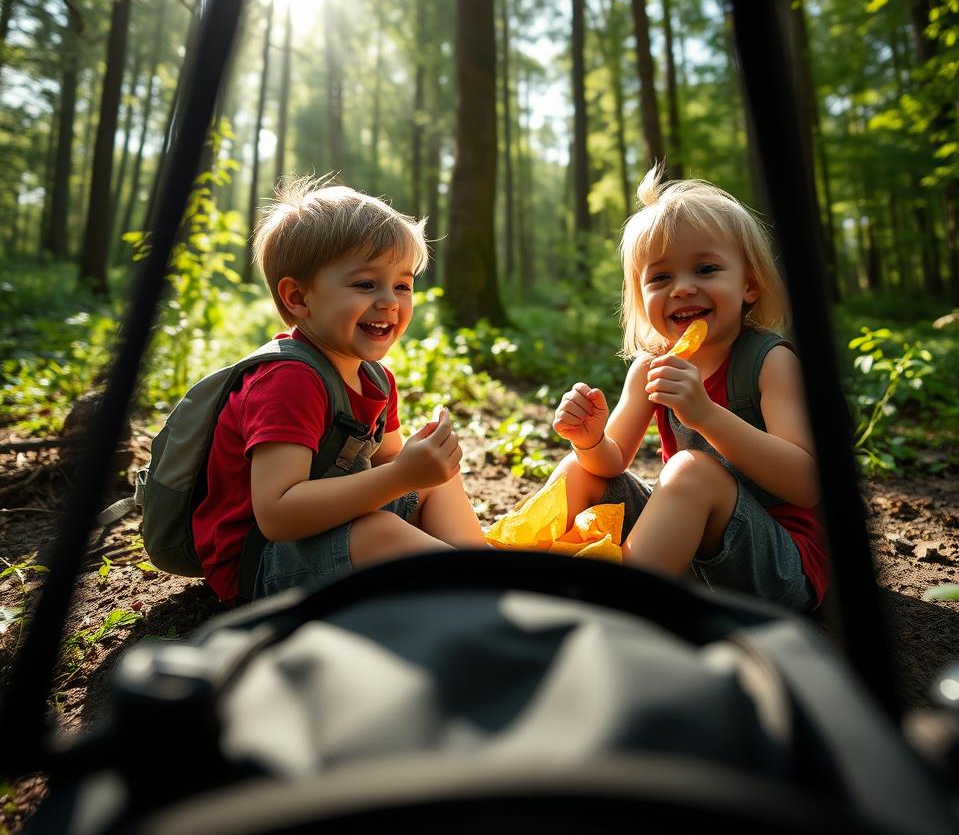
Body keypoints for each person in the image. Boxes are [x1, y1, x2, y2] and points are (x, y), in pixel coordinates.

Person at [192, 177, 485, 603]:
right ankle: (483, 597)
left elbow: (386, 465)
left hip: (334, 528)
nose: (390, 301)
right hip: (261, 562)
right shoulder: (289, 380)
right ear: (298, 298)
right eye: (366, 284)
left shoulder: (375, 378)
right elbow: (278, 513)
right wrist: (404, 474)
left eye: (402, 285)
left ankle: (493, 573)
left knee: (436, 485)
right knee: (379, 531)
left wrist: (416, 468)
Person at [550, 168, 828, 612]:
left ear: (750, 284)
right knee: (579, 468)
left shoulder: (769, 362)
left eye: (706, 269)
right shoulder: (650, 369)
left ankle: (620, 613)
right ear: (641, 299)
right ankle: (530, 573)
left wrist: (707, 415)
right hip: (683, 548)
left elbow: (806, 483)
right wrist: (590, 440)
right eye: (660, 278)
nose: (682, 288)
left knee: (691, 470)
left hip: (776, 566)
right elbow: (612, 461)